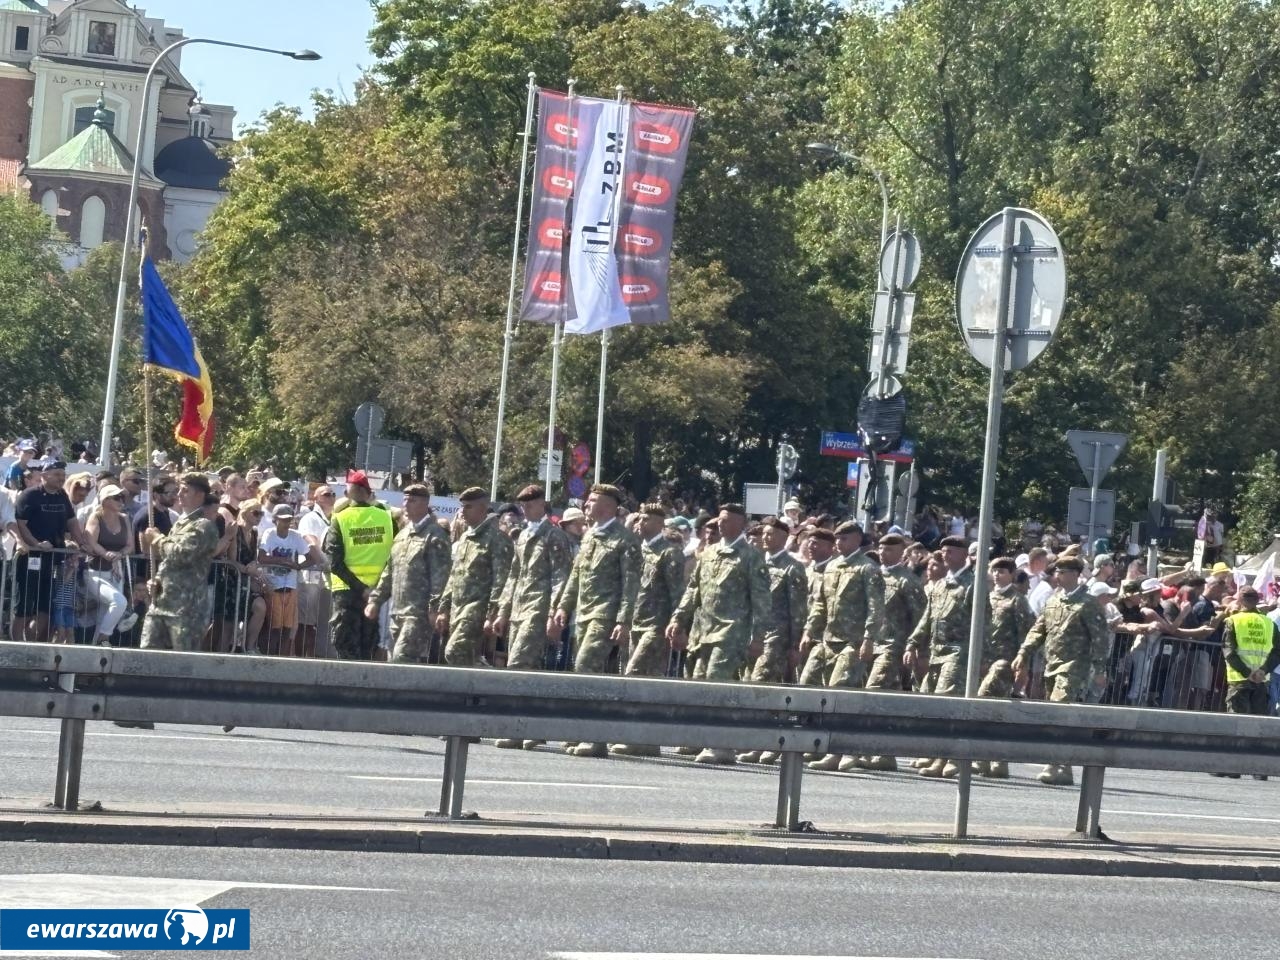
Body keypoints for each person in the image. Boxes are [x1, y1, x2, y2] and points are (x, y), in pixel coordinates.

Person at [666, 502, 770, 765]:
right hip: (704, 630)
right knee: (700, 683)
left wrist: (759, 637)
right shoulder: (709, 553)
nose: (721, 524)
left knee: (718, 683)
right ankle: (701, 738)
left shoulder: (751, 556)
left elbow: (762, 601)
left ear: (741, 524)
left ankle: (721, 745)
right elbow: (693, 589)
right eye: (720, 519)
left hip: (731, 631)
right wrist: (678, 619)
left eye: (727, 520)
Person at [554, 484, 641, 758]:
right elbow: (576, 575)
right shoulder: (590, 535)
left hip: (606, 614)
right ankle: (582, 732)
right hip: (584, 613)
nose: (586, 505)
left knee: (586, 666)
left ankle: (594, 737)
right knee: (583, 672)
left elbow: (630, 585)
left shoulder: (625, 540)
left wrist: (624, 621)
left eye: (592, 501)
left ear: (607, 506)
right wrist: (564, 606)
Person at [1013, 555, 1111, 786]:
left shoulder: (1087, 603)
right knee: (1057, 714)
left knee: (1059, 709)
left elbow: (1100, 638)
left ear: (1075, 575)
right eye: (1056, 571)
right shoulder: (1054, 600)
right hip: (1052, 665)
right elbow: (1039, 630)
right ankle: (1064, 766)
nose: (1057, 576)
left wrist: (1099, 669)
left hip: (1074, 666)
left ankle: (1054, 763)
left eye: (1062, 572)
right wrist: (1023, 653)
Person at [801, 520, 886, 771]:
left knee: (839, 693)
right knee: (808, 685)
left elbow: (875, 608)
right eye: (837, 538)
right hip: (828, 639)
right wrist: (809, 631)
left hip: (854, 641)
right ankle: (818, 743)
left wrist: (869, 639)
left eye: (844, 538)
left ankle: (840, 751)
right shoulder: (832, 566)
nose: (839, 543)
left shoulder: (867, 568)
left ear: (857, 540)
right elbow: (820, 603)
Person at [610, 502, 686, 758]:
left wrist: (678, 624)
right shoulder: (635, 551)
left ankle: (640, 736)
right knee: (647, 682)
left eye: (646, 519)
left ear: (659, 523)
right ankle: (644, 739)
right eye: (639, 519)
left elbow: (677, 593)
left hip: (656, 625)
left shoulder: (669, 553)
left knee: (635, 675)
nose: (640, 523)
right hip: (635, 622)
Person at [845, 532, 926, 772]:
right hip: (868, 644)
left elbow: (920, 618)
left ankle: (860, 750)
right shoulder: (872, 575)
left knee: (872, 694)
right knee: (886, 703)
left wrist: (916, 649)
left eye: (889, 549)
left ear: (901, 552)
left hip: (892, 646)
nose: (883, 552)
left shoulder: (907, 581)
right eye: (880, 548)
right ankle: (884, 753)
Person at [906, 535, 979, 778]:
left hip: (959, 652)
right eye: (943, 551)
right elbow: (927, 618)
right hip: (937, 652)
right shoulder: (939, 585)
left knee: (946, 704)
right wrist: (912, 643)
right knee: (931, 703)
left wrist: (984, 657)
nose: (945, 555)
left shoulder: (973, 585)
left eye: (951, 551)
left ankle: (946, 758)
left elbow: (984, 623)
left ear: (964, 555)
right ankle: (935, 752)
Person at [364, 483, 451, 666]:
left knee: (402, 659)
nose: (406, 504)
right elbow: (390, 571)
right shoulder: (402, 534)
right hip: (397, 612)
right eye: (405, 500)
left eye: (412, 500)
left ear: (424, 503)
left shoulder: (435, 535)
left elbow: (440, 577)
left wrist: (436, 609)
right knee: (394, 661)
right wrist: (375, 600)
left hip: (418, 614)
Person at [496, 485, 572, 682]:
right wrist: (503, 612)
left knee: (518, 663)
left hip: (539, 608)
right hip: (518, 609)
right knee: (522, 664)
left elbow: (560, 576)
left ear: (541, 505)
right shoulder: (522, 535)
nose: (525, 510)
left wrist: (553, 613)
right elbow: (514, 575)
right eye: (523, 506)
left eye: (529, 505)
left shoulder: (554, 535)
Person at [140, 473, 220, 651]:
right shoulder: (179, 524)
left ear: (199, 495)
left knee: (182, 662)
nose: (179, 494)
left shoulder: (203, 526)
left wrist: (157, 538)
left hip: (186, 610)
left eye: (185, 490)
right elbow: (169, 563)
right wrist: (157, 580)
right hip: (162, 602)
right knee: (147, 656)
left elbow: (181, 554)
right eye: (179, 490)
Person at [436, 487, 513, 666]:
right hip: (458, 608)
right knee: (465, 659)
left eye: (468, 507)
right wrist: (444, 608)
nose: (463, 511)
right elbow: (454, 576)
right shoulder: (465, 538)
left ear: (482, 508)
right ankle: (481, 681)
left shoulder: (497, 539)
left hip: (477, 610)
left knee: (455, 651)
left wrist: (492, 615)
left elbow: (501, 581)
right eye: (462, 506)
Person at [12, 460, 87, 643]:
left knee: (46, 605)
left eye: (63, 475)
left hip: (53, 559)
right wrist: (37, 543)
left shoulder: (62, 496)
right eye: (57, 474)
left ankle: (35, 645)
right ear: (44, 476)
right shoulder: (29, 495)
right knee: (24, 605)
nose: (61, 478)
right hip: (30, 557)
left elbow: (71, 522)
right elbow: (21, 524)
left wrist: (81, 543)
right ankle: (17, 644)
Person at [325, 470, 395, 661]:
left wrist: (360, 588)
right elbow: (396, 557)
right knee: (368, 651)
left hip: (346, 594)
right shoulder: (386, 518)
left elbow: (334, 562)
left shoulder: (340, 519)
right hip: (374, 594)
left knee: (347, 651)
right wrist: (374, 589)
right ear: (368, 492)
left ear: (348, 493)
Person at [1218, 586, 1280, 779]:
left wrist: (1247, 672)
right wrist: (1262, 671)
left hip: (1240, 680)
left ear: (1241, 600)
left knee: (1237, 723)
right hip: (1262, 681)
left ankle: (1233, 767)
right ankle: (1259, 770)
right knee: (1259, 724)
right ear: (1256, 601)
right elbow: (1277, 652)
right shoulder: (1269, 623)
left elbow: (1229, 651)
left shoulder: (1233, 621)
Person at [259, 503, 321, 656]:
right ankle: (269, 657)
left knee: (288, 628)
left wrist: (298, 566)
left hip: (291, 586)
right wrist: (283, 561)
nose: (286, 523)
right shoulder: (269, 534)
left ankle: (282, 657)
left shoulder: (295, 536)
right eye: (283, 519)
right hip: (273, 586)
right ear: (275, 519)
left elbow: (312, 558)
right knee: (274, 627)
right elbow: (261, 557)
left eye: (289, 519)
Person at [81, 482, 134, 646]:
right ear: (105, 500)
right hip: (95, 572)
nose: (121, 501)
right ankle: (103, 638)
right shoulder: (96, 517)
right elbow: (91, 542)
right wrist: (105, 553)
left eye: (122, 497)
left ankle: (97, 649)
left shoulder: (124, 519)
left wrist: (120, 554)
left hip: (116, 572)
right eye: (116, 497)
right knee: (119, 602)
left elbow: (130, 545)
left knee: (105, 615)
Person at [297, 485, 335, 657]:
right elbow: (312, 543)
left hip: (327, 576)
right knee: (306, 621)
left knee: (324, 620)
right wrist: (326, 563)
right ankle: (302, 658)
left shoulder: (334, 519)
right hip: (311, 575)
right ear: (316, 498)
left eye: (333, 494)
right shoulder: (310, 518)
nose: (331, 497)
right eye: (326, 494)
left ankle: (320, 656)